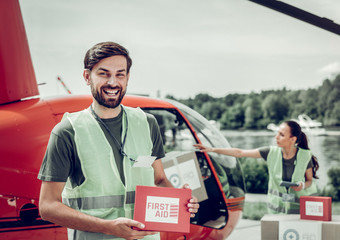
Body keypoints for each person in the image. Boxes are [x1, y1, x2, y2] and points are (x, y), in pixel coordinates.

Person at [38, 42, 199, 240]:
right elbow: (47, 207)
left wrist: (181, 203)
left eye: (120, 74)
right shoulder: (67, 132)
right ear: (87, 77)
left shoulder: (147, 124)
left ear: (127, 77)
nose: (112, 82)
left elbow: (159, 179)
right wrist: (108, 227)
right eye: (103, 74)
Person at [194, 120, 319, 214]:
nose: (276, 137)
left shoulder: (305, 155)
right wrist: (212, 149)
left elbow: (309, 181)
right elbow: (240, 153)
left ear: (293, 139)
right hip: (275, 211)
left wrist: (302, 185)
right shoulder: (270, 152)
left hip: (299, 211)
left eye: (281, 134)